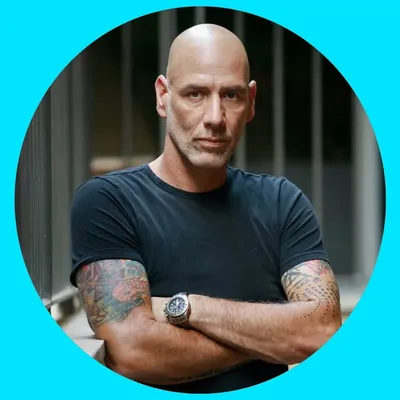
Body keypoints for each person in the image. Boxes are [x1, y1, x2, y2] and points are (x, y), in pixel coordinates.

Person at [70, 23, 342, 393]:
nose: (215, 117)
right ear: (163, 96)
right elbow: (134, 352)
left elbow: (321, 330)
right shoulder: (109, 201)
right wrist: (272, 337)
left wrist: (186, 308)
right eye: (195, 94)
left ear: (251, 102)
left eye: (231, 95)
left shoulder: (282, 202)